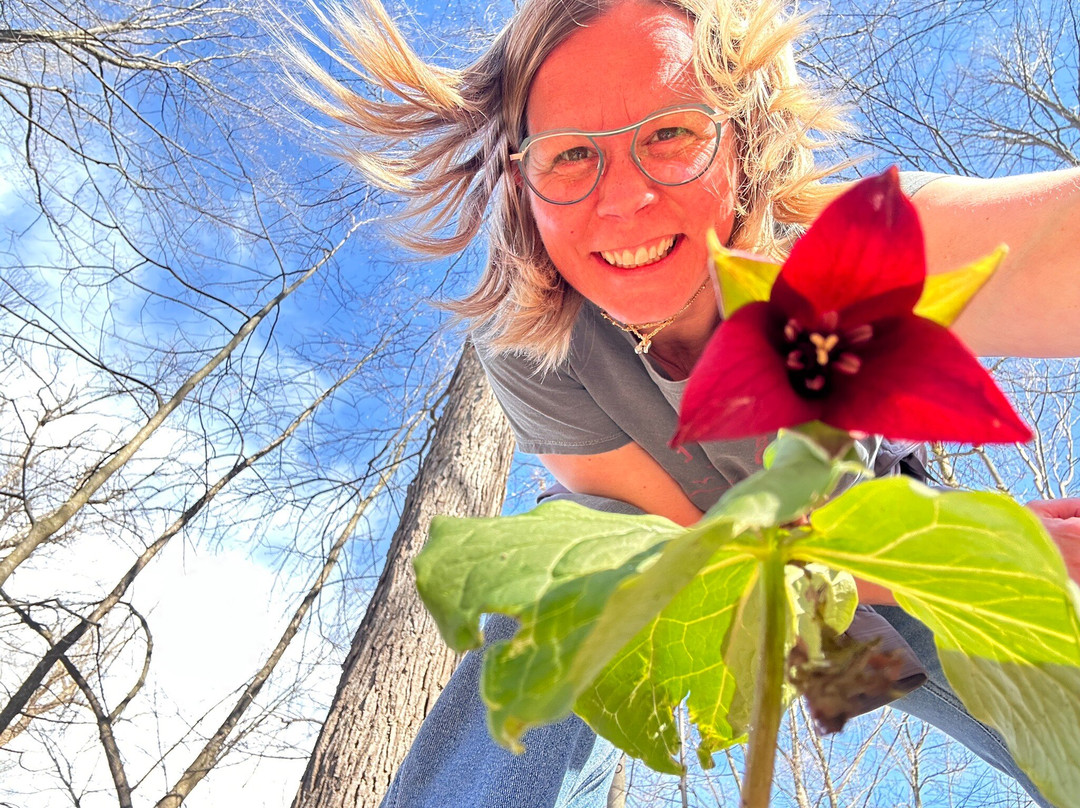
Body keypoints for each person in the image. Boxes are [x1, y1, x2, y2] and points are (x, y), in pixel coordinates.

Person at [295, 0, 1080, 805]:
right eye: (570, 153)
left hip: (886, 546)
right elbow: (697, 549)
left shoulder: (848, 249)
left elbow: (1051, 244)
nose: (623, 199)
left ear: (745, 141)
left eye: (672, 131)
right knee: (575, 567)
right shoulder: (536, 356)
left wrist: (976, 554)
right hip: (743, 591)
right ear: (520, 181)